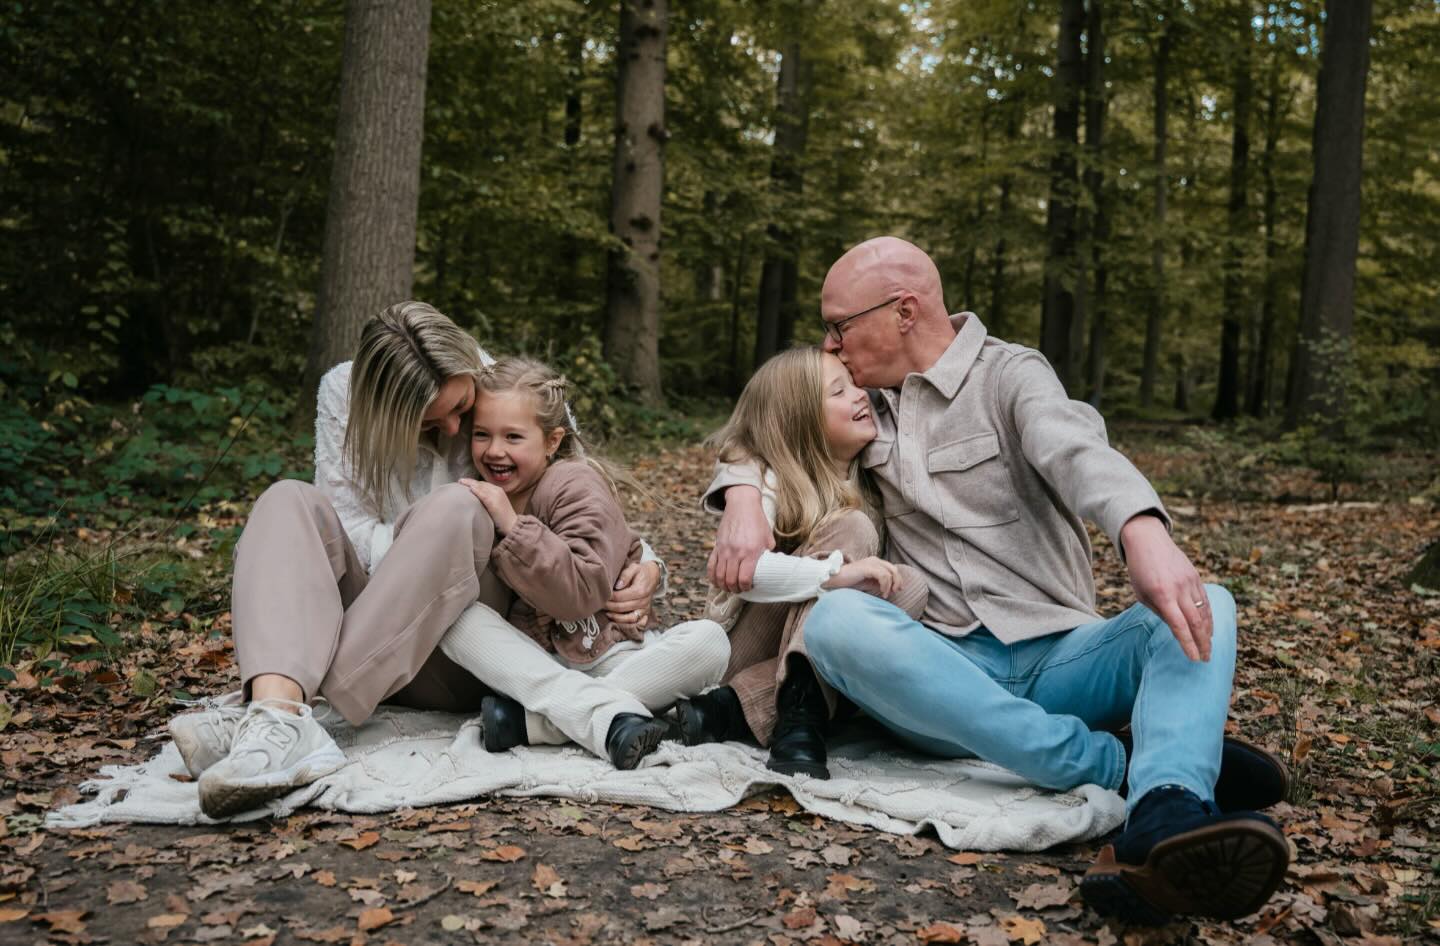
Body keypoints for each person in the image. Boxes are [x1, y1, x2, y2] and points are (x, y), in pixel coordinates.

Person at [707, 237, 1291, 925]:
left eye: (839, 326)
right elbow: (765, 422)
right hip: (941, 678)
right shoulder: (866, 406)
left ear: (903, 311)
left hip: (1060, 654)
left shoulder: (1011, 375)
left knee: (1209, 602)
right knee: (837, 621)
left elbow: (1077, 449)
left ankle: (1166, 812)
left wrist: (1142, 530)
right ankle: (1120, 765)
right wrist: (741, 495)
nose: (830, 345)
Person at [169, 302, 666, 818]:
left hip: (466, 639)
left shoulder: (496, 381)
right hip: (374, 621)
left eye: (462, 410)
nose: (453, 429)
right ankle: (277, 713)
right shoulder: (342, 393)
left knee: (457, 507)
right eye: (432, 420)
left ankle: (300, 709)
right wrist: (417, 548)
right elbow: (345, 527)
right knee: (286, 499)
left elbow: (578, 490)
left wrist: (650, 566)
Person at [436, 357, 732, 767]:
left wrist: (513, 525)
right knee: (452, 616)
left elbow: (581, 590)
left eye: (513, 436)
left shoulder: (573, 481)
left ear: (552, 441)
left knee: (710, 642)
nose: (495, 450)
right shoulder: (477, 496)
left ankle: (541, 724)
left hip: (614, 654)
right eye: (482, 434)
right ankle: (602, 713)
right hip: (536, 665)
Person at [673, 348, 928, 779]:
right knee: (852, 527)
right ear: (800, 419)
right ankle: (800, 713)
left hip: (781, 667)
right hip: (746, 647)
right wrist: (834, 575)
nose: (860, 395)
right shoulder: (771, 481)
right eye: (838, 391)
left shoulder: (874, 479)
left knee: (910, 586)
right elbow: (749, 575)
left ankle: (734, 708)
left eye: (854, 384)